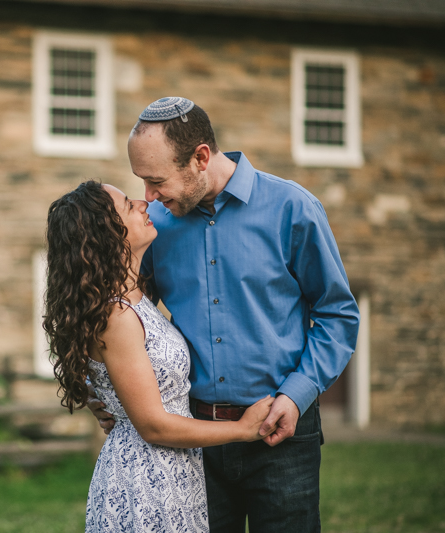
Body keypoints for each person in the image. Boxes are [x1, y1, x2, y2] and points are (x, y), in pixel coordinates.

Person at [88, 97, 361, 532]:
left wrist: (296, 394)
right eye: (142, 183)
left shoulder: (293, 209)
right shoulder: (156, 227)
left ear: (200, 158)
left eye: (156, 181)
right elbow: (121, 313)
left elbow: (338, 314)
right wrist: (104, 391)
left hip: (283, 435)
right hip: (194, 441)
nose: (149, 197)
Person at [44, 180, 276, 533]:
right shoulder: (117, 316)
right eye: (127, 204)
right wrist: (242, 430)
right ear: (105, 234)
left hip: (173, 469)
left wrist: (101, 394)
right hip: (146, 478)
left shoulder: (135, 297)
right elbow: (153, 425)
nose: (142, 203)